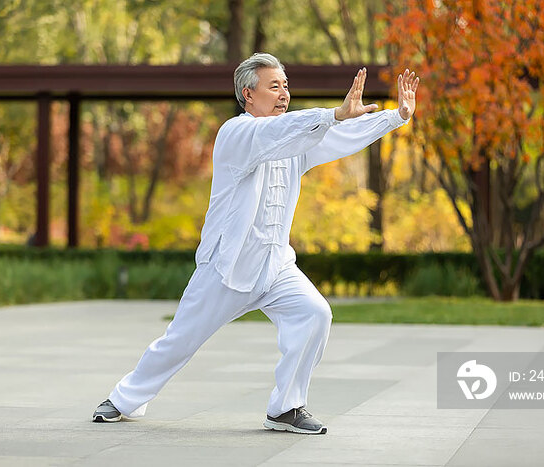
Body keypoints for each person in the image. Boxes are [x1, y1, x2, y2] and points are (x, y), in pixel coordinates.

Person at [93, 53, 419, 434]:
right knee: (178, 342)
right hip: (226, 270)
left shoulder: (298, 138)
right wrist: (331, 114)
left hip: (276, 267)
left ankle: (286, 408)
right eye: (274, 86)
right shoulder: (236, 133)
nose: (284, 94)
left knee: (315, 314)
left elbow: (338, 136)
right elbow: (279, 134)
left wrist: (396, 117)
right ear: (248, 94)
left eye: (286, 86)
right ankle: (123, 399)